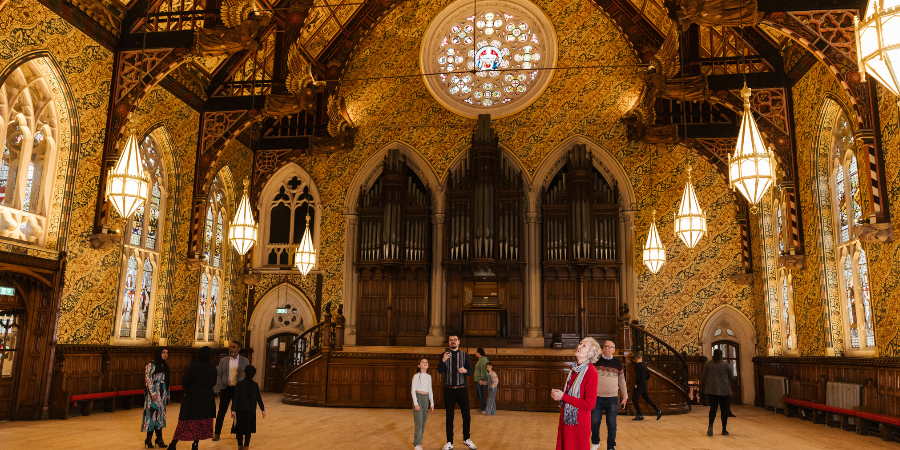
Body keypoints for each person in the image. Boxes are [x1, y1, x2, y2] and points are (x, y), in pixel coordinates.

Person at [553, 337, 601, 450]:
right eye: (580, 344)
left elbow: (590, 404)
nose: (579, 346)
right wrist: (559, 396)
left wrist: (563, 396)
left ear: (590, 353)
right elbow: (569, 395)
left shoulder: (591, 372)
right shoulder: (574, 368)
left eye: (584, 346)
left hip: (578, 423)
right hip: (566, 418)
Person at [169, 347, 217, 450]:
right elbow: (214, 382)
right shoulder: (212, 367)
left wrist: (188, 391)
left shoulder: (192, 366)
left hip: (192, 398)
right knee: (200, 422)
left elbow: (185, 382)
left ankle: (173, 444)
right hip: (206, 399)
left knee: (184, 422)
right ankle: (195, 444)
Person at [438, 335, 477, 450]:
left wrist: (465, 371)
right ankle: (449, 442)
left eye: (455, 340)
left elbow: (470, 371)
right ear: (448, 342)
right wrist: (443, 361)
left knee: (467, 416)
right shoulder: (443, 355)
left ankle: (467, 439)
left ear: (459, 342)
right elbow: (440, 370)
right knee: (449, 417)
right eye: (451, 340)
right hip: (448, 390)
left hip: (462, 389)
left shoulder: (465, 355)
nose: (453, 342)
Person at [591, 340, 627, 450]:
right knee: (594, 421)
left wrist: (625, 395)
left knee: (612, 424)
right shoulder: (595, 361)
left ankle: (611, 446)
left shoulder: (618, 363)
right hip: (596, 397)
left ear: (614, 350)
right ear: (602, 348)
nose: (608, 349)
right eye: (606, 346)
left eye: (611, 347)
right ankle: (595, 442)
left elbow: (621, 380)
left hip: (612, 398)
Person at [214, 341, 250, 441]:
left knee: (237, 413)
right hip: (226, 389)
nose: (231, 349)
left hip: (238, 390)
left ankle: (236, 432)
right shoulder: (223, 360)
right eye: (230, 347)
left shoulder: (245, 361)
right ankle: (216, 434)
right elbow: (219, 375)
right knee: (221, 412)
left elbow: (247, 376)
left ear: (239, 349)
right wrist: (218, 387)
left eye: (233, 347)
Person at [231, 365, 266, 450]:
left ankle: (240, 446)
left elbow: (235, 397)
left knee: (239, 430)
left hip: (240, 411)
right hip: (251, 411)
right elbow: (259, 398)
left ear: (244, 373)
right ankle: (246, 446)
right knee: (248, 430)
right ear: (254, 374)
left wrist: (233, 410)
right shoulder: (255, 385)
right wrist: (263, 409)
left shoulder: (239, 384)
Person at [702, 348, 735, 436]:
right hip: (724, 391)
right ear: (721, 355)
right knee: (724, 411)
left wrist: (703, 389)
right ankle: (724, 429)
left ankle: (710, 427)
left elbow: (703, 377)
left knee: (713, 410)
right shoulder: (726, 365)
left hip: (712, 391)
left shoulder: (708, 364)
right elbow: (731, 377)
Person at [143, 347, 170, 448]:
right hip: (153, 394)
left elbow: (167, 381)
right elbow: (148, 379)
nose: (165, 354)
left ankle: (159, 440)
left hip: (162, 393)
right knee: (151, 417)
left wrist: (167, 394)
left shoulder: (165, 365)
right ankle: (148, 440)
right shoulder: (151, 364)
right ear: (159, 353)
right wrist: (153, 393)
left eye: (167, 353)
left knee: (160, 418)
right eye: (163, 352)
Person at [411, 357, 435, 450]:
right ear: (419, 365)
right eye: (423, 362)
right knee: (419, 422)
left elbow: (430, 390)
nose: (425, 363)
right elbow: (412, 390)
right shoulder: (416, 376)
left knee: (423, 422)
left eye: (426, 362)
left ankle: (417, 441)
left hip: (426, 400)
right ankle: (417, 444)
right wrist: (416, 403)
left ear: (428, 365)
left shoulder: (429, 377)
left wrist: (432, 403)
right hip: (418, 398)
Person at [631, 353, 661, 421]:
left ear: (637, 358)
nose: (634, 360)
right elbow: (648, 376)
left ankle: (640, 415)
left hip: (639, 385)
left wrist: (636, 384)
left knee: (634, 399)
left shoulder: (637, 366)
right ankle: (658, 410)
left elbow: (638, 376)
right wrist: (644, 381)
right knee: (647, 399)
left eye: (635, 359)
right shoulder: (645, 365)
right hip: (644, 384)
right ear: (641, 358)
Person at [473, 348, 490, 413]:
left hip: (481, 381)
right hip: (478, 380)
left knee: (482, 395)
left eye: (476, 352)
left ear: (479, 353)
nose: (475, 353)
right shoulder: (480, 359)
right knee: (480, 395)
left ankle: (484, 409)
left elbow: (484, 371)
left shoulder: (483, 360)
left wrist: (481, 380)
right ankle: (482, 408)